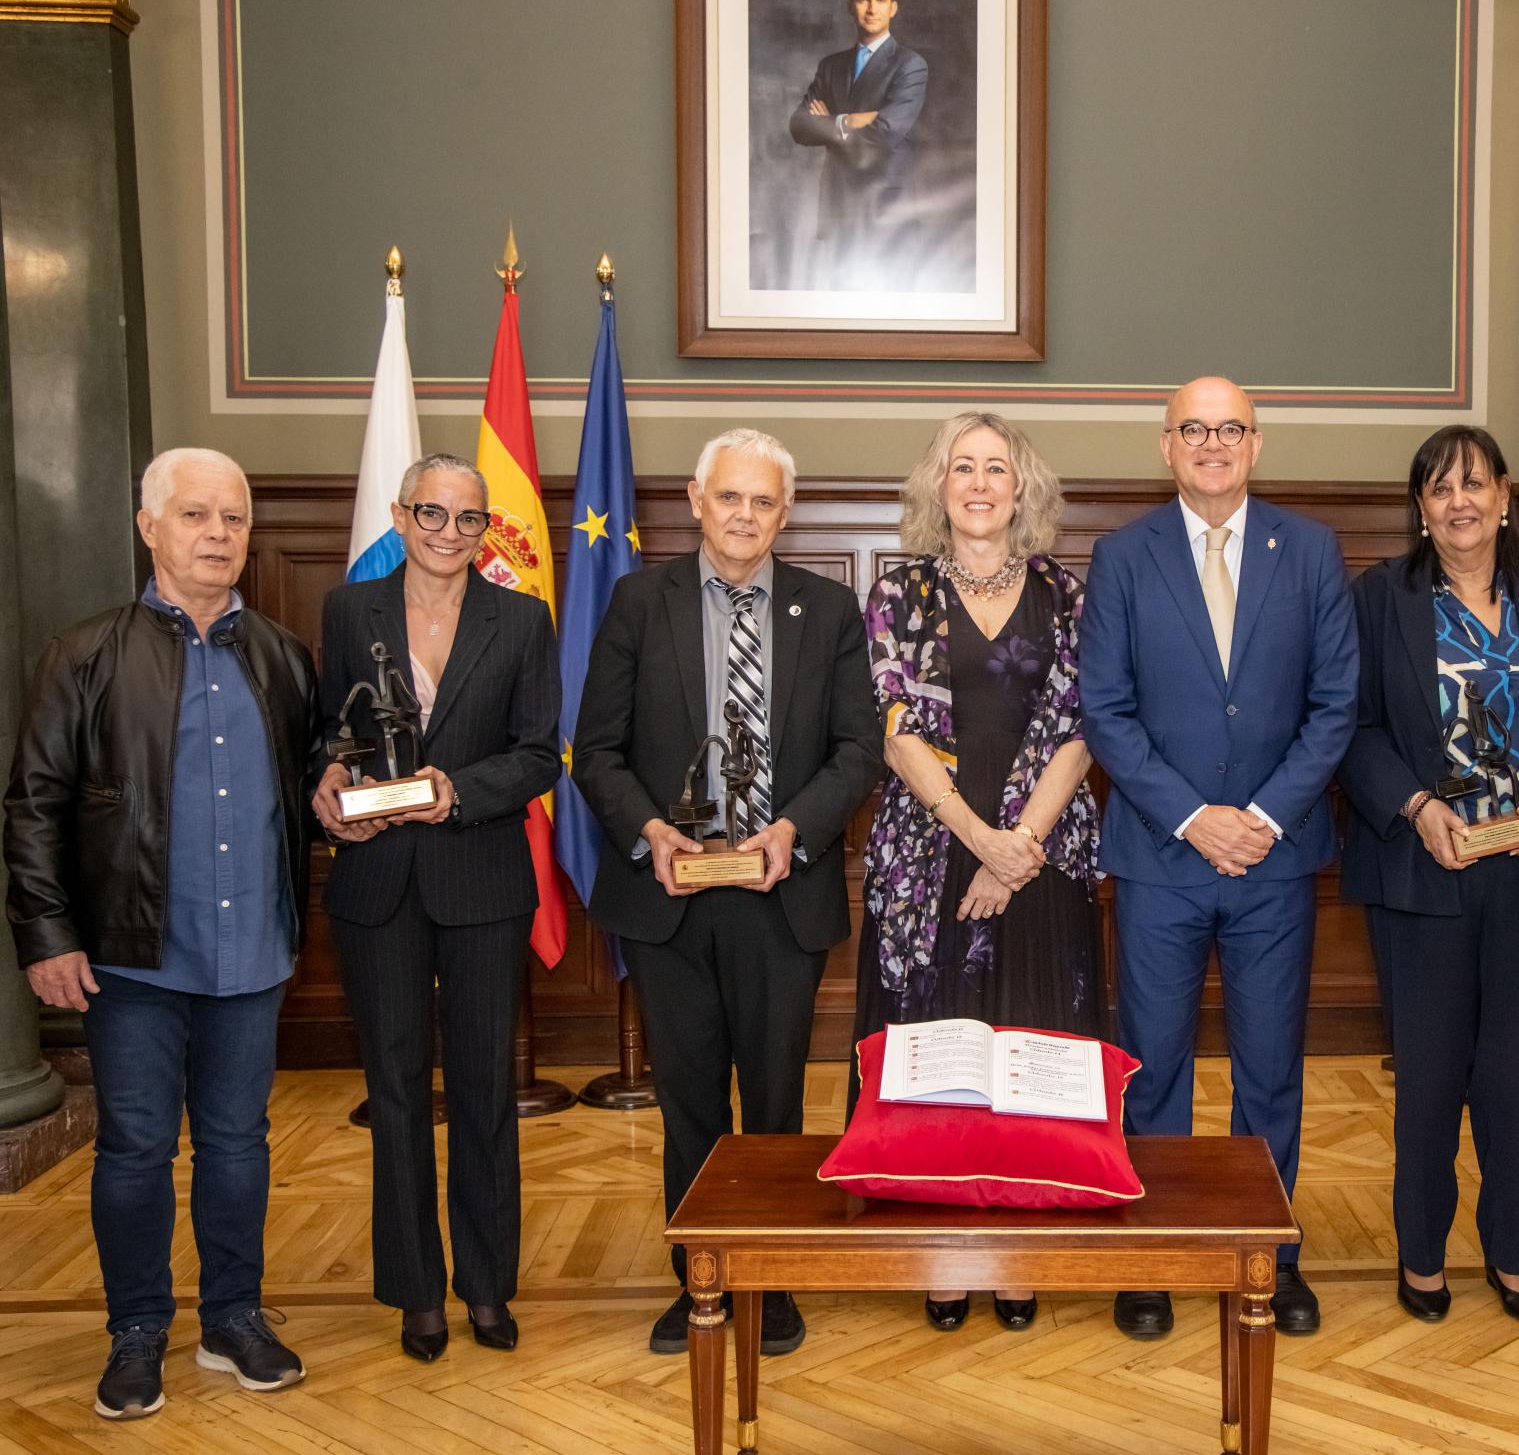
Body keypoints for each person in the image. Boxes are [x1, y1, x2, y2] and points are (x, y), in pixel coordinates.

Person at [4, 448, 317, 1419]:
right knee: (136, 1148)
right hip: (132, 955)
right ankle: (136, 1331)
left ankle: (233, 1316)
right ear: (149, 527)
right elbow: (32, 805)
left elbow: (311, 784)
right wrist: (48, 936)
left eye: (233, 518)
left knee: (239, 1144)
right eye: (195, 516)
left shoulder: (281, 655)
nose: (218, 535)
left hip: (253, 951)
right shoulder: (83, 654)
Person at [571, 428, 882, 1358]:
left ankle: (772, 1280)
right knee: (691, 1103)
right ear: (695, 502)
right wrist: (650, 832)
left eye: (763, 502)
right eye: (729, 498)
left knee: (776, 1100)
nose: (744, 516)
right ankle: (701, 1279)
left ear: (784, 513)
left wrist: (795, 829)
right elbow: (597, 751)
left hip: (781, 894)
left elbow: (856, 751)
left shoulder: (827, 611)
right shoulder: (638, 601)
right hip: (671, 894)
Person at [1080, 375, 1357, 1339]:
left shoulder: (1311, 551)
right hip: (1162, 858)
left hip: (1274, 864)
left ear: (1256, 442)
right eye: (1191, 429)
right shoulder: (1122, 557)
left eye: (1228, 428)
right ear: (1165, 446)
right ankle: (1153, 1253)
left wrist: (1264, 819)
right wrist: (1196, 817)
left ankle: (1265, 1253)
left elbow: (1334, 708)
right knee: (1151, 1070)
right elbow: (1105, 712)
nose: (1210, 443)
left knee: (1270, 1069)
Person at [1338, 426, 1519, 1325]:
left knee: (1510, 1074)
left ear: (1506, 496)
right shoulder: (1379, 599)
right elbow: (1349, 729)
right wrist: (1418, 809)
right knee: (1427, 1076)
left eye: (1473, 484)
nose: (1457, 502)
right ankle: (1421, 1258)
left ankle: (1513, 1257)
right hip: (1424, 871)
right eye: (1437, 488)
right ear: (1420, 509)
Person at [309, 453, 561, 1363]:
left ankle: (487, 1285)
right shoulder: (348, 610)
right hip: (379, 886)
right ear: (399, 513)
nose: (449, 533)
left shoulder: (522, 620)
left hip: (483, 882)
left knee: (488, 1092)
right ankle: (416, 1292)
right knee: (397, 1092)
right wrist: (330, 778)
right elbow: (328, 733)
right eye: (432, 513)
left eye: (467, 519)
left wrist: (455, 791)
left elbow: (539, 755)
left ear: (486, 530)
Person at [859, 412, 1103, 1333]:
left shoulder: (1065, 593)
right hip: (932, 853)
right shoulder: (899, 590)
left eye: (995, 468)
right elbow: (896, 729)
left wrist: (1017, 848)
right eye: (962, 467)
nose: (978, 483)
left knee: (1030, 1046)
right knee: (940, 1055)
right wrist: (976, 837)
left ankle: (1024, 1245)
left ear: (1022, 488)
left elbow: (1083, 726)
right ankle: (940, 1245)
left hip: (1043, 856)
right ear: (937, 485)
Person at [787, 0, 928, 290]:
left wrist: (828, 123)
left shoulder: (910, 65)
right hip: (839, 208)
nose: (871, 9)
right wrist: (849, 120)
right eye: (863, 0)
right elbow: (798, 125)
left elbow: (887, 131)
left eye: (879, 0)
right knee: (839, 314)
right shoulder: (830, 66)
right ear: (850, 6)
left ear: (893, 7)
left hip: (887, 210)